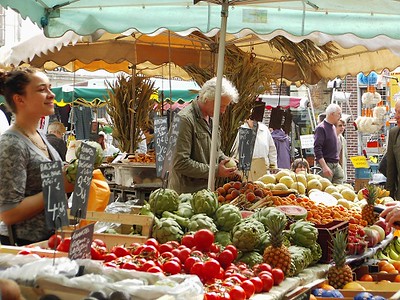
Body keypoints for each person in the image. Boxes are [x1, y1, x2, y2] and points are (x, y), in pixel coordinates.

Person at [0, 67, 73, 246]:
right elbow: (8, 213)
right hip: (23, 248)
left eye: (49, 87)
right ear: (19, 99)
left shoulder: (40, 136)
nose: (51, 94)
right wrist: (58, 187)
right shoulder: (11, 144)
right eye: (42, 89)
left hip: (48, 243)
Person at [168, 77, 239, 194]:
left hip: (205, 193)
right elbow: (180, 162)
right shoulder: (183, 120)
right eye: (221, 106)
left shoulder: (212, 120)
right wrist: (215, 171)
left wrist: (224, 159)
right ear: (207, 98)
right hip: (186, 196)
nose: (223, 111)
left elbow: (214, 149)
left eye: (226, 106)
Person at [314, 103, 344, 184]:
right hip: (326, 163)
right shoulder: (321, 128)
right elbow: (317, 149)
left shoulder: (334, 127)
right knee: (326, 189)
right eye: (338, 114)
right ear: (332, 114)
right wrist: (324, 166)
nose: (340, 117)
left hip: (336, 164)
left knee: (339, 188)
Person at [385, 99, 400, 200]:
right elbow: (391, 168)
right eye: (396, 112)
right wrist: (388, 198)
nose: (396, 116)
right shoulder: (394, 133)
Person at [336, 118, 348, 182]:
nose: (342, 127)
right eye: (340, 126)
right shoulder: (331, 137)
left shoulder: (342, 139)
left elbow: (345, 156)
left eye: (344, 126)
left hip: (341, 168)